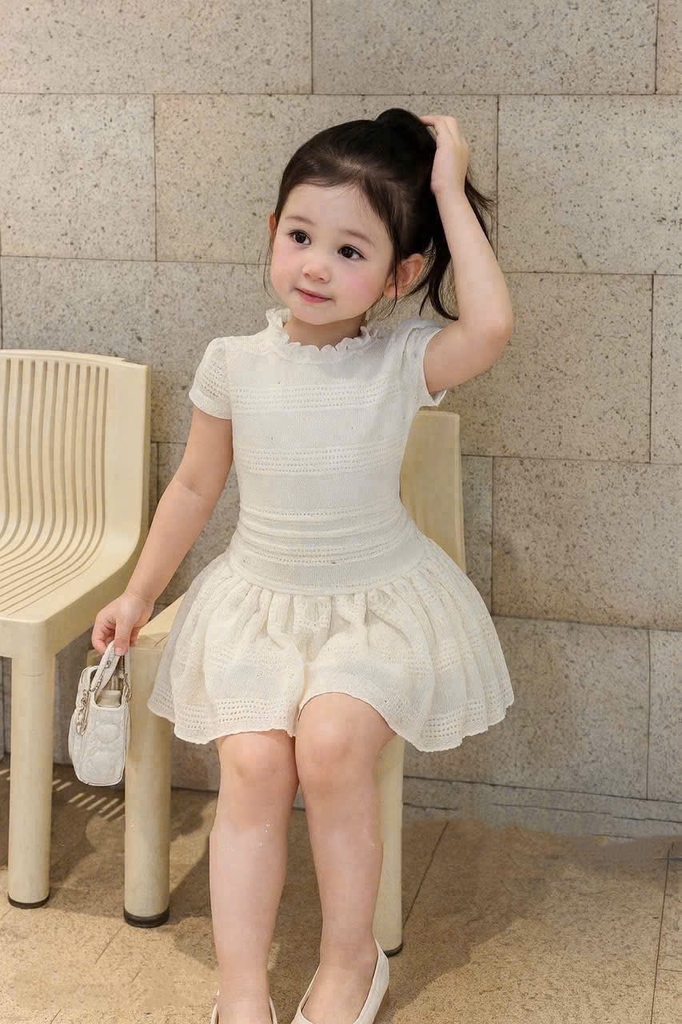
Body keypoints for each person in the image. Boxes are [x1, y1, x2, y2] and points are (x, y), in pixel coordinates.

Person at [91, 108, 515, 1024]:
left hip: (375, 607)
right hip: (261, 604)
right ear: (272, 232)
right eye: (299, 236)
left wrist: (448, 188)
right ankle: (242, 985)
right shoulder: (234, 362)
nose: (316, 265)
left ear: (401, 273)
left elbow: (490, 326)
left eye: (350, 251)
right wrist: (138, 592)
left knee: (328, 747)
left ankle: (349, 962)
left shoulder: (400, 361)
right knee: (251, 765)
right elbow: (194, 487)